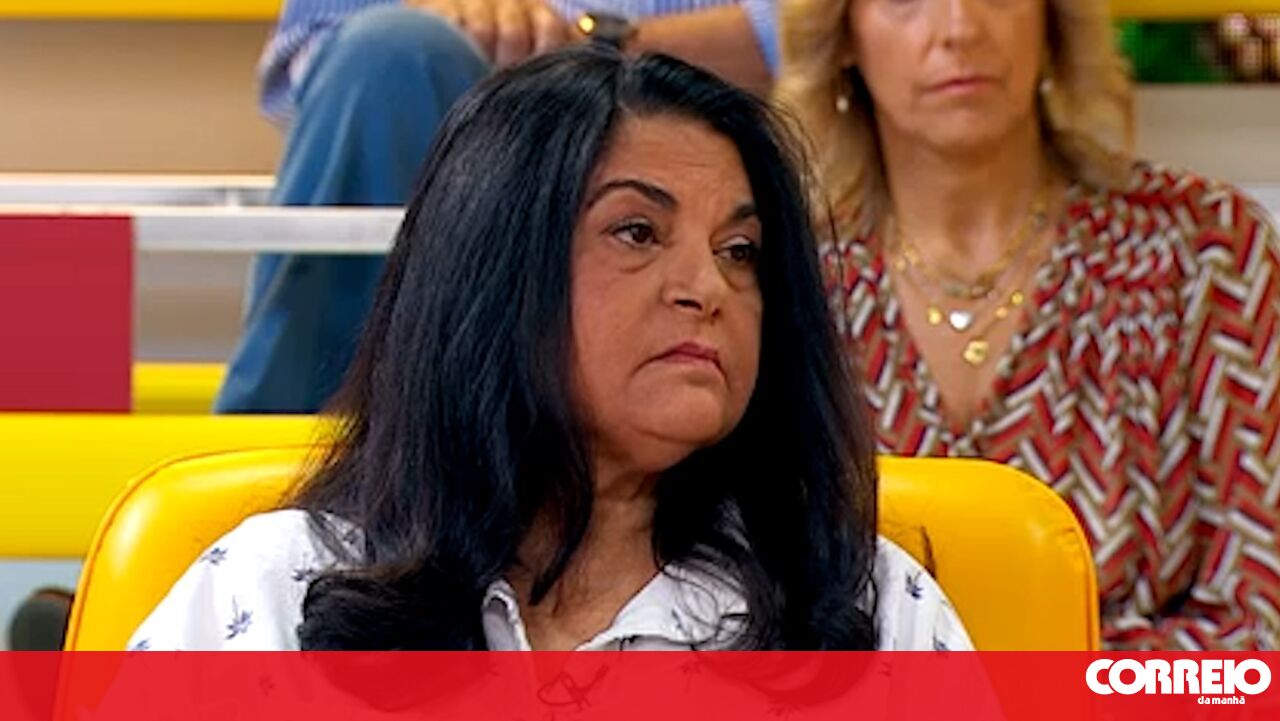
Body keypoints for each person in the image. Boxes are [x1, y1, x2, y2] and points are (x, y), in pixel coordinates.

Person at [130, 49, 969, 653]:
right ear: (491, 268)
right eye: (637, 231)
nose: (707, 286)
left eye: (739, 251)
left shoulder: (869, 611)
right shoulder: (270, 594)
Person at [775, 0, 1280, 650]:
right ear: (843, 35)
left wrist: (1062, 691)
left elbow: (1259, 629)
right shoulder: (790, 277)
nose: (959, 29)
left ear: (1052, 19)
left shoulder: (1205, 247)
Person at [215, 0, 780, 413]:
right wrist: (444, 20)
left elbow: (813, 34)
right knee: (387, 52)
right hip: (448, 110)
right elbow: (314, 45)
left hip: (711, 116)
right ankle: (290, 455)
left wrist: (591, 56)